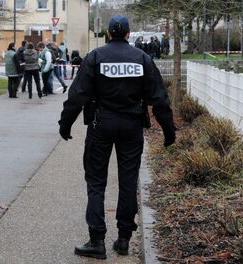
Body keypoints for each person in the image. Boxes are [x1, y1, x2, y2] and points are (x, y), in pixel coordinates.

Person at [58, 16, 175, 259]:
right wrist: (168, 130)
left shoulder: (96, 57)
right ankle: (123, 239)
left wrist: (65, 124)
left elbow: (77, 94)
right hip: (132, 125)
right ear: (129, 34)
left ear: (109, 33)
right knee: (129, 181)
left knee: (96, 181)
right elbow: (159, 98)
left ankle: (96, 241)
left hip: (101, 124)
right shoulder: (142, 58)